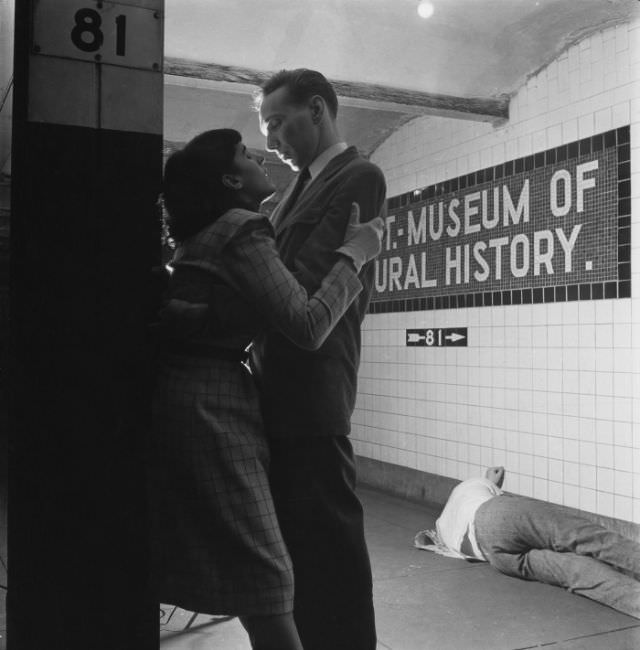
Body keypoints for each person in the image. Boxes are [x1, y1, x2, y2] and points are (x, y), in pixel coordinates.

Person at [148, 128, 384, 650]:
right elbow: (307, 323)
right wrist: (356, 256)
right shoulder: (241, 227)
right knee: (269, 577)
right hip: (214, 412)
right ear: (231, 178)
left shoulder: (201, 233)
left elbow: (224, 302)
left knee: (242, 571)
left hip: (187, 400)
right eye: (244, 152)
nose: (259, 150)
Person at [252, 68, 387, 650]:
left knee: (330, 553)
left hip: (316, 390)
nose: (271, 141)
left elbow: (301, 288)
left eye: (278, 124)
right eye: (266, 129)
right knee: (295, 548)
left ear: (317, 110)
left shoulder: (359, 175)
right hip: (277, 390)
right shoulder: (284, 196)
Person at [414, 467, 640, 619]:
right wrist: (489, 479)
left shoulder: (443, 527)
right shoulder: (471, 486)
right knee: (583, 536)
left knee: (572, 571)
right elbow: (491, 481)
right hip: (494, 517)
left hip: (495, 557)